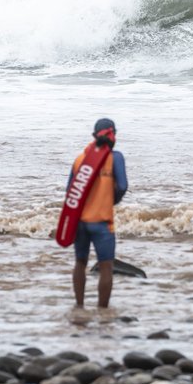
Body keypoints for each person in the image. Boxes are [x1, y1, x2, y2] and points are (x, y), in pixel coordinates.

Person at [69, 117, 128, 309]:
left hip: (80, 223)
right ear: (113, 135)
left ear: (95, 136)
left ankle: (79, 306)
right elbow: (122, 186)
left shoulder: (79, 160)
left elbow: (70, 193)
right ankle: (102, 310)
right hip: (102, 223)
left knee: (80, 263)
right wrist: (111, 201)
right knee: (106, 267)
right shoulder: (115, 158)